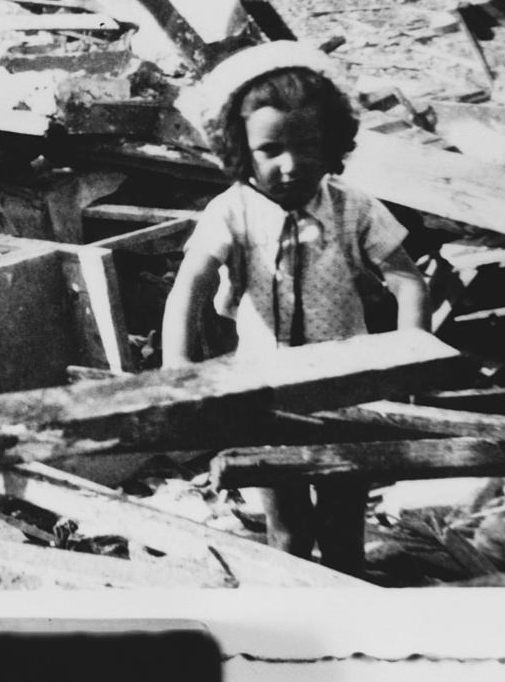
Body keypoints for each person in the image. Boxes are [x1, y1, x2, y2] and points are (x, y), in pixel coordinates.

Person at [161, 41, 430, 574]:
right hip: (265, 396)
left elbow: (407, 280)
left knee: (343, 525)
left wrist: (408, 361)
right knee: (287, 529)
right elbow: (190, 282)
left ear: (330, 140)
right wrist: (180, 371)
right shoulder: (233, 209)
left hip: (346, 394)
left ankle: (350, 610)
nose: (291, 164)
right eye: (270, 151)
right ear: (242, 150)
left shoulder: (351, 206)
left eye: (307, 145)